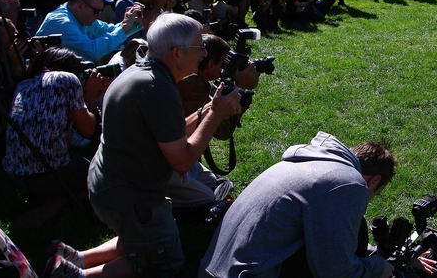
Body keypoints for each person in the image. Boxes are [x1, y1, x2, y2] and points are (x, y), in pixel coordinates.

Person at [83, 14, 242, 278]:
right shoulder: (158, 88)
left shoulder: (140, 73)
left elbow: (171, 132)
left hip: (109, 184)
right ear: (177, 53)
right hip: (128, 196)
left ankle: (72, 258)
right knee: (163, 263)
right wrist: (216, 114)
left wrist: (207, 110)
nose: (203, 53)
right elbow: (181, 161)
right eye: (198, 47)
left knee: (142, 240)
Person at [198, 131, 396, 278]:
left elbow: (327, 237)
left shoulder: (311, 164)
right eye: (375, 194)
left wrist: (376, 254)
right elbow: (336, 272)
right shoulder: (348, 183)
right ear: (374, 181)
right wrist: (379, 268)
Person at [3, 47, 107, 227]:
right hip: (49, 176)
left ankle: (45, 198)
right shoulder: (67, 79)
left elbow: (64, 141)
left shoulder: (24, 85)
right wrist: (90, 95)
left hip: (14, 175)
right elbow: (88, 131)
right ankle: (57, 205)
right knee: (99, 171)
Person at [168, 34, 260, 211]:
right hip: (168, 159)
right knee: (209, 198)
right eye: (224, 63)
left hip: (178, 152)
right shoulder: (192, 84)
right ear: (210, 64)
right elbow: (222, 132)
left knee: (214, 182)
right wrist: (240, 90)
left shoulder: (196, 80)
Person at [35, 0, 144, 63]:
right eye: (97, 11)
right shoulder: (62, 23)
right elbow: (93, 52)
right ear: (81, 5)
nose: (99, 16)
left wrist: (132, 22)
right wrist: (125, 26)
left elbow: (109, 30)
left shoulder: (82, 17)